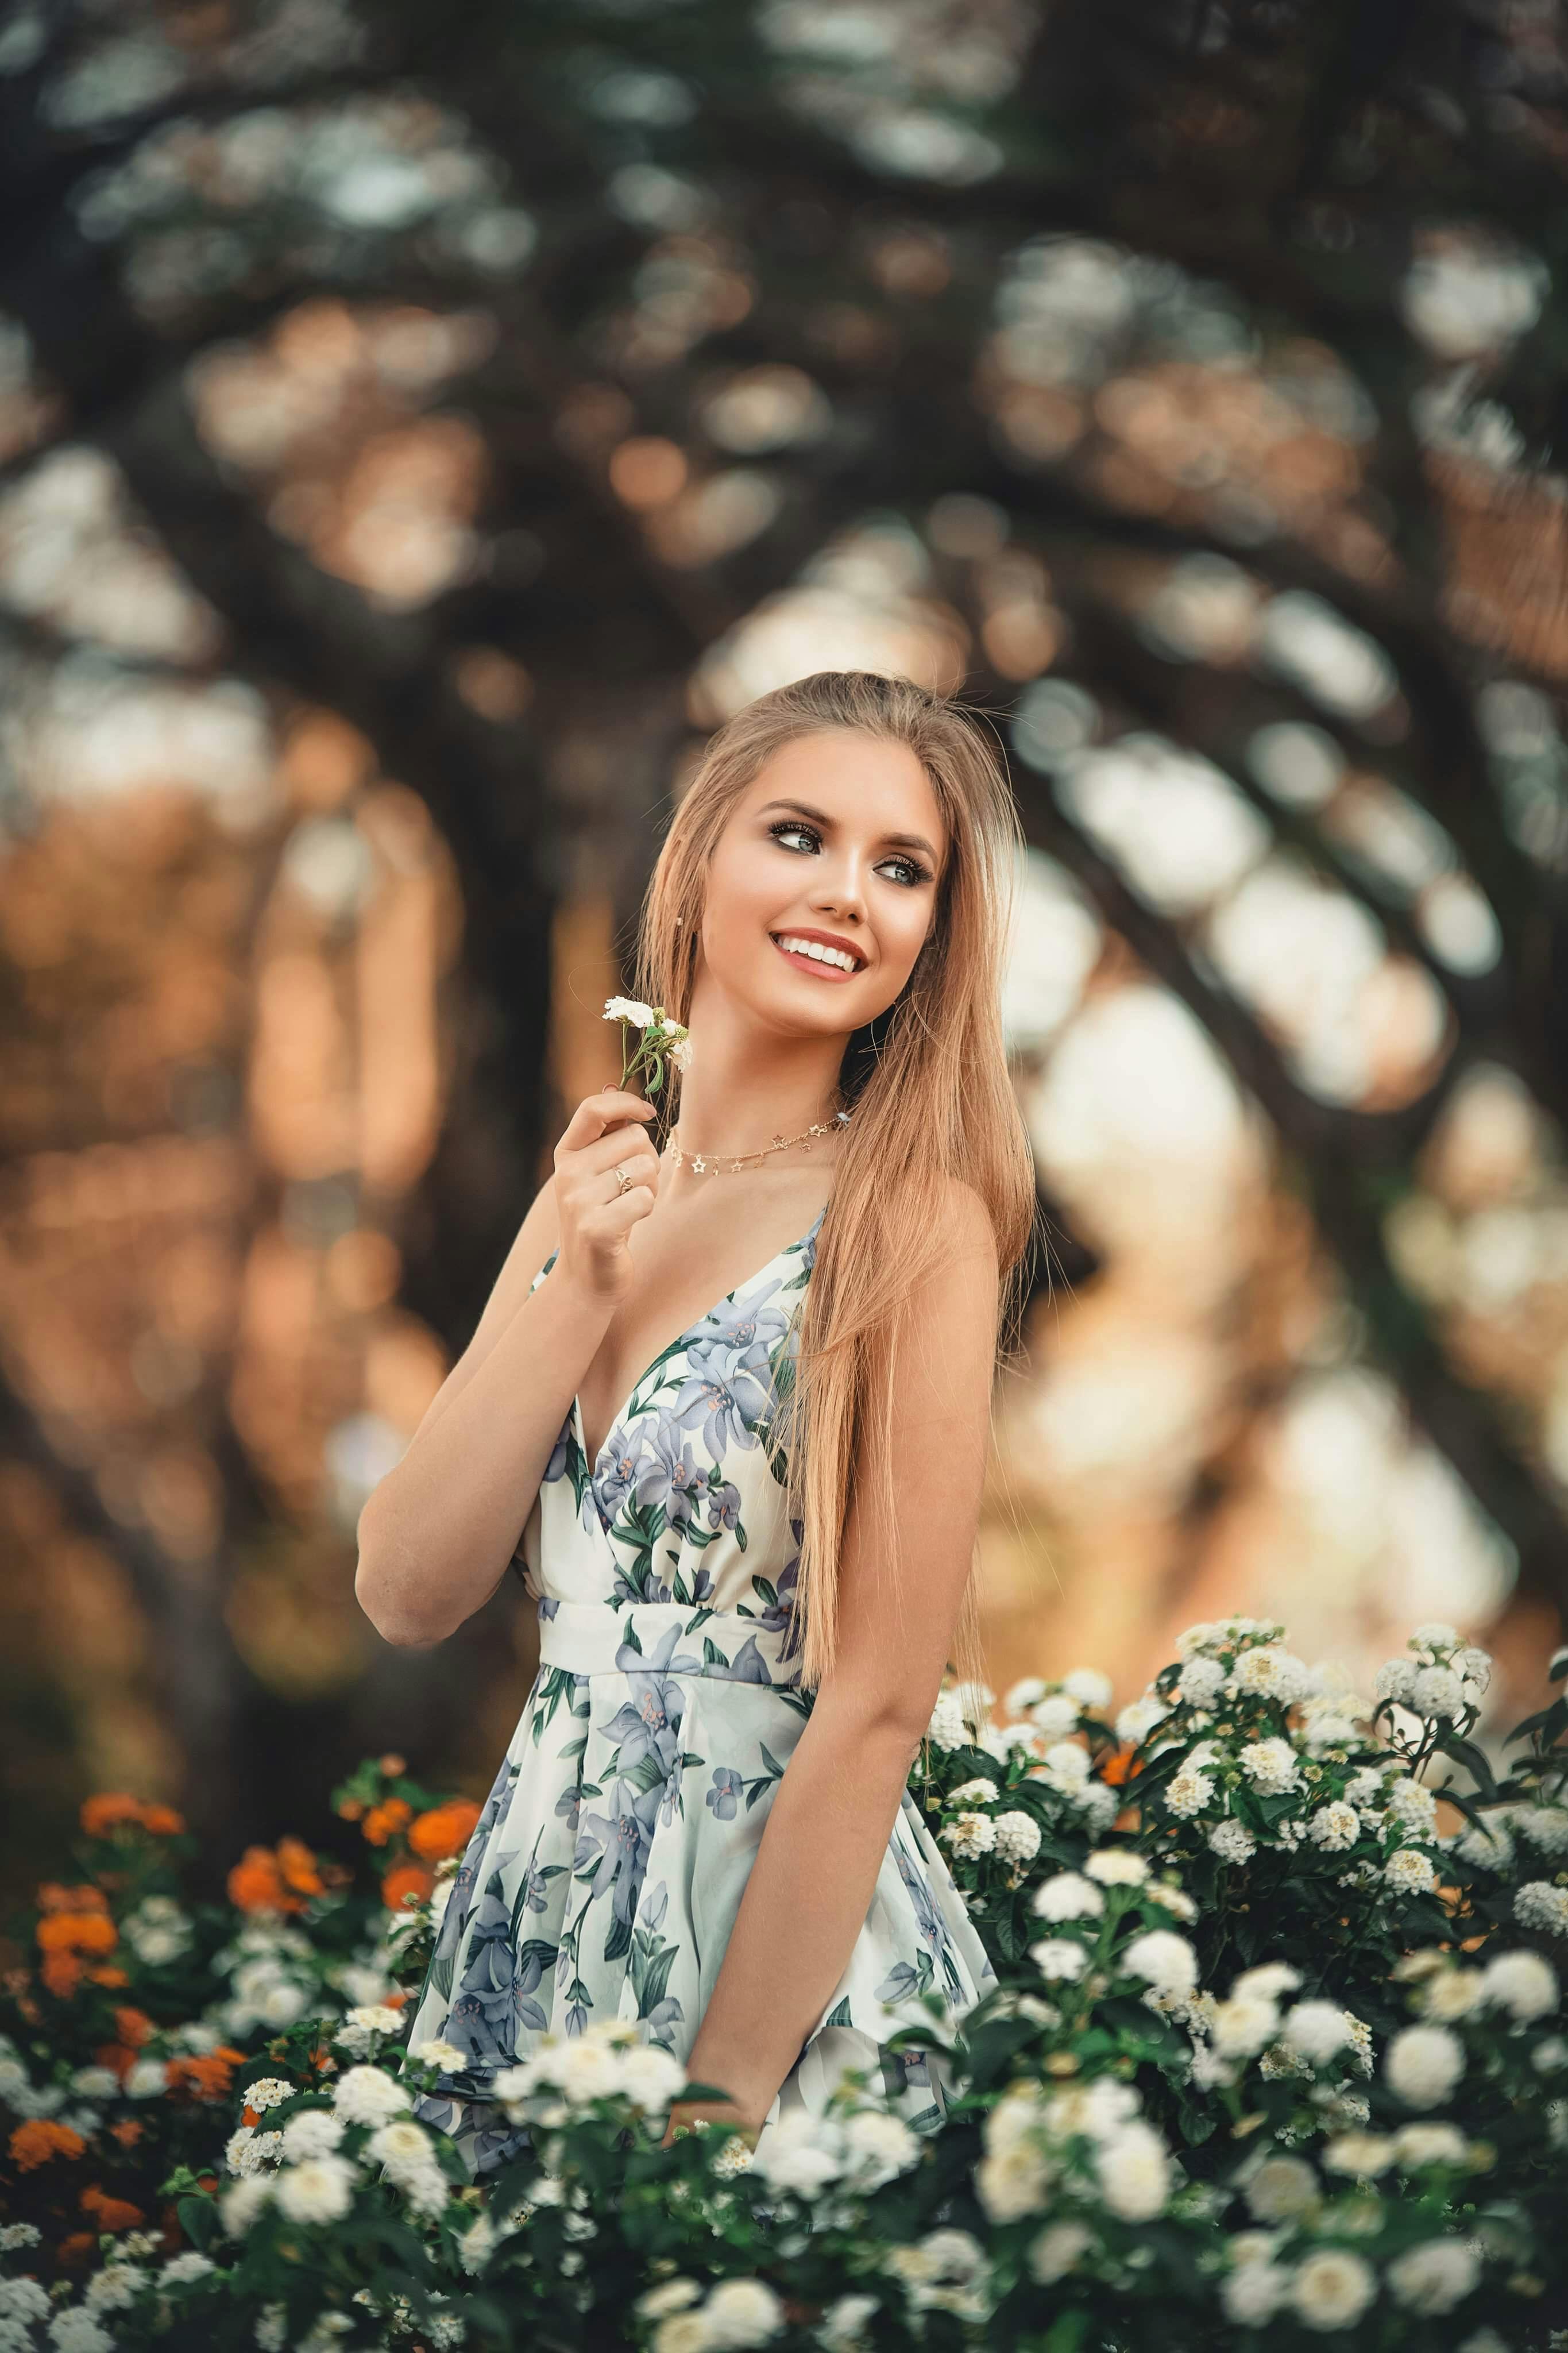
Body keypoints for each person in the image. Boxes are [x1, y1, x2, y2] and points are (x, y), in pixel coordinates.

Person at [354, 669, 1038, 2174]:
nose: (847, 895)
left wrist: (718, 2115)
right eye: (800, 836)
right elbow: (408, 1589)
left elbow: (873, 1707)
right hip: (530, 1934)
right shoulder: (593, 1180)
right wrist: (578, 1286)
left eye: (900, 867)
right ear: (705, 854)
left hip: (772, 1970)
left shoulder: (908, 1225)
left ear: (933, 933)